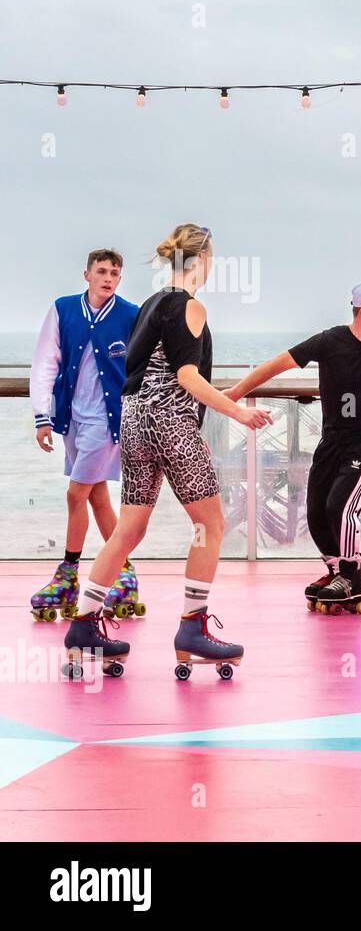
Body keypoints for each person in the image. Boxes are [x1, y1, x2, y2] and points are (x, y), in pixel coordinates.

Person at [61, 224, 273, 680]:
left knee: (129, 529)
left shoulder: (150, 305)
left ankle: (82, 626)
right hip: (170, 422)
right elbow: (186, 377)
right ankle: (193, 629)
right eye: (212, 258)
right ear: (202, 260)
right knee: (210, 524)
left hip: (133, 419)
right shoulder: (188, 306)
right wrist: (238, 412)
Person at [224, 281, 361, 613]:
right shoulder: (328, 340)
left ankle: (352, 577)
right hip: (331, 440)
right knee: (315, 511)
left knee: (342, 507)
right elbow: (275, 365)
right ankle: (336, 569)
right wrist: (236, 394)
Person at [29, 249, 141, 620]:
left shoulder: (130, 315)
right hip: (73, 419)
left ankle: (68, 574)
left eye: (115, 273)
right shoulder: (64, 309)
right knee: (97, 497)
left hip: (109, 423)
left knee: (76, 493)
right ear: (87, 274)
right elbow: (46, 361)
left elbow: (146, 367)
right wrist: (42, 415)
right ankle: (123, 573)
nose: (108, 278)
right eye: (102, 271)